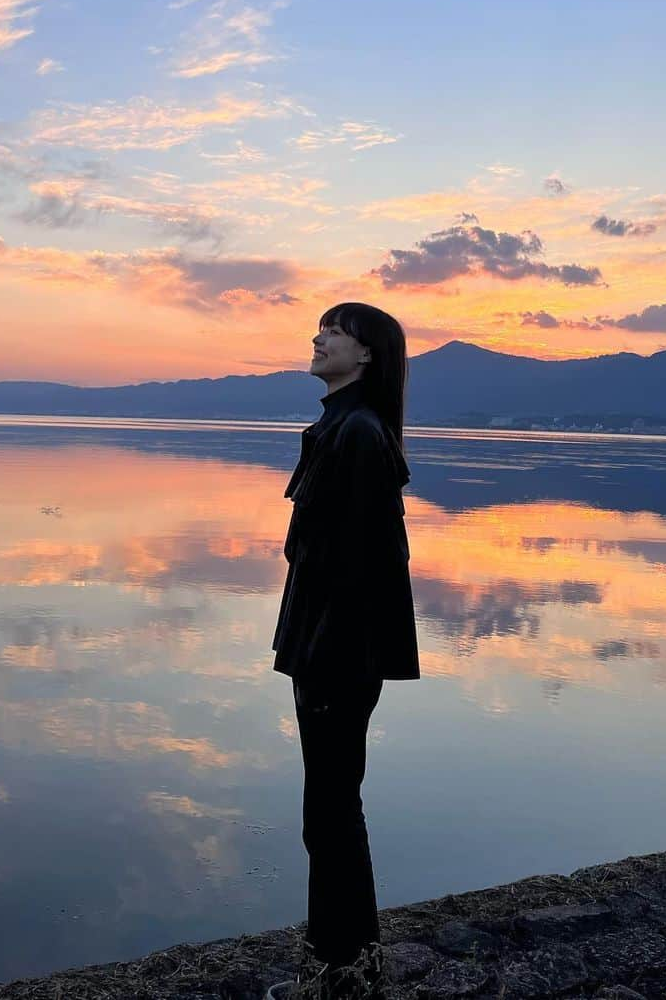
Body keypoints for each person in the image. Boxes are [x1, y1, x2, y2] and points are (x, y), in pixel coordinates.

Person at [267, 303, 420, 1000]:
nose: (318, 335)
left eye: (336, 329)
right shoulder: (342, 426)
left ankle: (344, 972)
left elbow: (371, 565)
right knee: (327, 809)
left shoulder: (358, 433)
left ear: (366, 355)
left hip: (336, 655)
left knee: (330, 811)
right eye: (322, 325)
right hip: (323, 651)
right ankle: (345, 964)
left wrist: (328, 658)